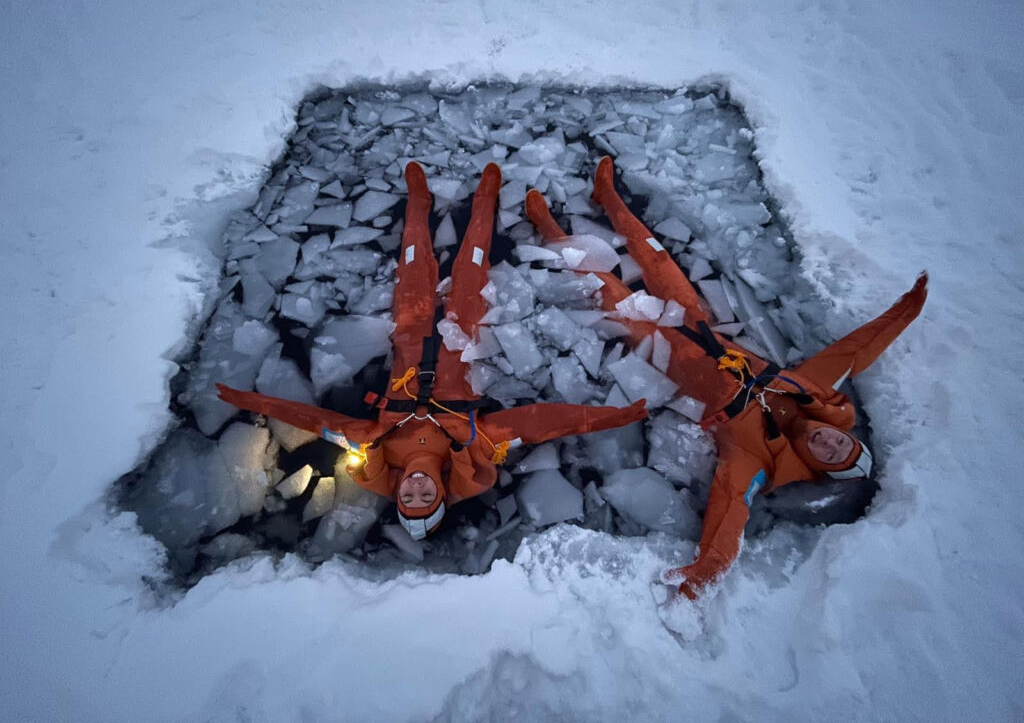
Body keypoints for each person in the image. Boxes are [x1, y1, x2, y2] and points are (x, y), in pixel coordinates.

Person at [525, 156, 928, 599]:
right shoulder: (814, 394)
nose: (829, 444)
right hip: (700, 326)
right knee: (655, 255)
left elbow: (729, 510)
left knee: (604, 286)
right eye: (842, 443)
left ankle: (547, 227)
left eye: (831, 456)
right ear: (843, 433)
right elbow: (855, 352)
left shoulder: (753, 460)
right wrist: (903, 311)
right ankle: (610, 198)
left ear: (816, 465)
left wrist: (708, 569)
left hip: (663, 351)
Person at [217, 161, 648, 540]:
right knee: (471, 262)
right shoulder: (475, 450)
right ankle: (486, 198)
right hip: (459, 331)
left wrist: (251, 400)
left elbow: (315, 420)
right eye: (427, 496)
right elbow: (542, 423)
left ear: (400, 490)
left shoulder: (372, 451)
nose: (417, 487)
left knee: (414, 259)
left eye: (409, 497)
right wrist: (614, 416)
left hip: (411, 332)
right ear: (441, 491)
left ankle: (418, 198)